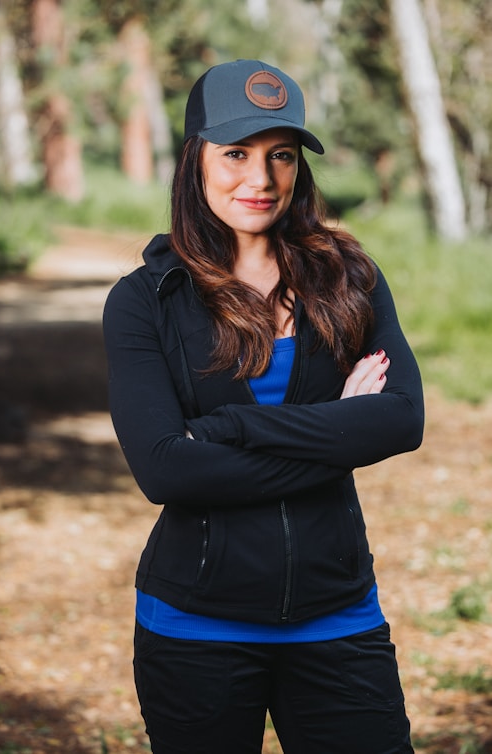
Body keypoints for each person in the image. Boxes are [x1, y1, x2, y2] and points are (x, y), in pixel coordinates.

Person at [103, 59, 424, 754]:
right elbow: (165, 472)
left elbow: (400, 419)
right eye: (235, 154)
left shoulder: (349, 278)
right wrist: (339, 432)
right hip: (194, 627)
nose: (261, 179)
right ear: (195, 160)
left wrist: (230, 428)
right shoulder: (144, 301)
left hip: (337, 615)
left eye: (281, 155)